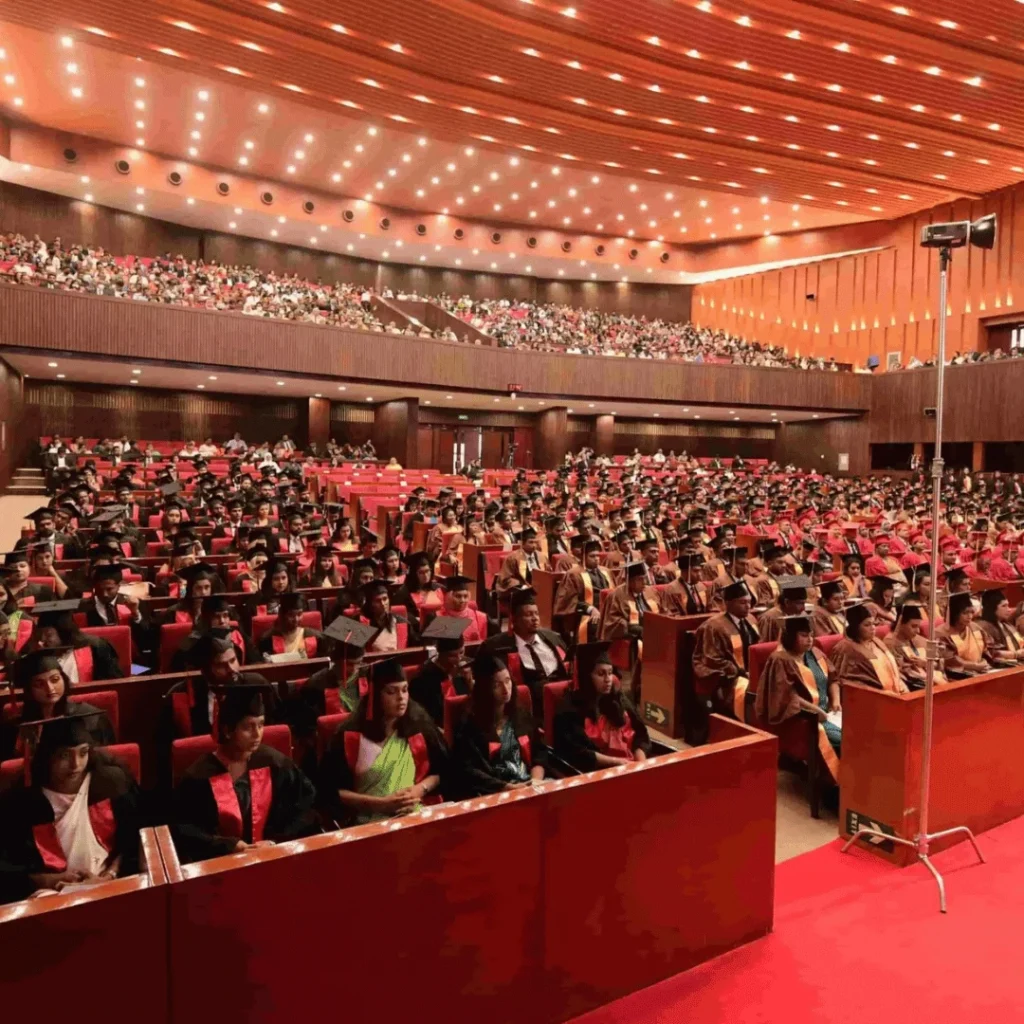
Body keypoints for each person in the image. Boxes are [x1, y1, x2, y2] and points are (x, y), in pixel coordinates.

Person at [0, 713, 141, 904]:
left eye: (83, 753)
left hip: (111, 886)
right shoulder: (23, 801)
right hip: (50, 896)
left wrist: (109, 877)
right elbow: (8, 867)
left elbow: (135, 839)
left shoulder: (111, 783)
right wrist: (48, 880)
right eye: (65, 755)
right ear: (47, 758)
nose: (76, 765)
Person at [172, 685, 318, 863]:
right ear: (227, 730)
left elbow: (306, 806)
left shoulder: (275, 763)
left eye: (261, 724)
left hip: (274, 857)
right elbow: (185, 830)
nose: (257, 734)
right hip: (220, 865)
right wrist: (229, 846)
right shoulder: (199, 776)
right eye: (248, 727)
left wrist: (274, 842)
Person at [317, 659, 445, 826]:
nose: (401, 698)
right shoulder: (350, 736)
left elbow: (441, 770)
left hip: (415, 815)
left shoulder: (419, 725)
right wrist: (382, 804)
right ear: (375, 696)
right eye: (391, 692)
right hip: (367, 823)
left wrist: (418, 790)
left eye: (405, 690)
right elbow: (332, 791)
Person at [754, 615, 840, 786]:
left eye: (811, 635)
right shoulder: (780, 660)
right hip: (802, 718)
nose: (809, 640)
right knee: (842, 740)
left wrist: (836, 700)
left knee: (860, 733)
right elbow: (786, 697)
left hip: (829, 714)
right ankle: (833, 786)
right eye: (803, 635)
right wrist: (817, 711)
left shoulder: (815, 653)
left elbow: (833, 679)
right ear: (790, 636)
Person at [449, 653, 546, 799]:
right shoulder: (469, 725)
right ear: (484, 688)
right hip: (495, 794)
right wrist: (508, 788)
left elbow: (540, 752)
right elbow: (470, 771)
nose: (506, 689)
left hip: (531, 787)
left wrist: (536, 781)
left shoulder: (520, 715)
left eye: (507, 681)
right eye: (497, 685)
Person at [1, 648, 116, 760]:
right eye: (39, 684)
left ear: (64, 680)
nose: (50, 688)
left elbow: (105, 760)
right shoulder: (16, 727)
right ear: (29, 690)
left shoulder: (91, 717)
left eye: (55, 680)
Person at [552, 646, 651, 771]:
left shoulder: (618, 699)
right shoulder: (570, 708)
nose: (608, 679)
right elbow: (576, 752)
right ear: (587, 677)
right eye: (601, 674)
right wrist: (619, 763)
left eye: (610, 673)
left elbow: (641, 734)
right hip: (596, 774)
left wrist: (642, 765)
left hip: (631, 767)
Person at [164, 629, 277, 738]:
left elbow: (275, 729)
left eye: (233, 660)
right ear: (205, 669)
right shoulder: (180, 695)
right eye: (221, 665)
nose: (232, 669)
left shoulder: (258, 685)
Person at [481, 588, 569, 714]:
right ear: (514, 619)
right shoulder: (495, 647)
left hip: (563, 703)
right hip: (529, 710)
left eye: (536, 614)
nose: (535, 618)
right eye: (528, 615)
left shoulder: (554, 638)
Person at [692, 578, 761, 719]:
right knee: (753, 693)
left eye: (749, 602)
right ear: (729, 603)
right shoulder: (714, 626)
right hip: (724, 677)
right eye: (742, 602)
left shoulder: (751, 620)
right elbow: (711, 659)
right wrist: (740, 672)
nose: (748, 606)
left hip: (748, 672)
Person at [24, 601, 124, 682]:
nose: (42, 641)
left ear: (64, 633)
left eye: (48, 635)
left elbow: (112, 683)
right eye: (39, 635)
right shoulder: (37, 653)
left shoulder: (96, 646)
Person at [410, 617, 474, 727]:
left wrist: (470, 682)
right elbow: (430, 717)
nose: (459, 659)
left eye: (461, 652)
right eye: (452, 656)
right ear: (441, 654)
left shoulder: (466, 667)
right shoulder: (423, 678)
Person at [830, 603, 908, 692]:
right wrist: (880, 693)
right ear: (855, 627)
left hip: (894, 692)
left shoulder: (876, 641)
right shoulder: (844, 648)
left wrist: (900, 683)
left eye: (874, 624)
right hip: (870, 696)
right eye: (867, 625)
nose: (873, 628)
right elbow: (843, 680)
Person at [884, 603, 946, 688]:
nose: (918, 631)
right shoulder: (890, 642)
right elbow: (897, 672)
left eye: (918, 627)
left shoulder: (916, 638)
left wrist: (927, 663)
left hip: (931, 678)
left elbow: (937, 662)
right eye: (913, 626)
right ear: (900, 624)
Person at [599, 561, 661, 640]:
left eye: (645, 578)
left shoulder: (651, 591)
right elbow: (612, 621)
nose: (644, 583)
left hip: (653, 631)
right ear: (630, 581)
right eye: (640, 579)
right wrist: (632, 628)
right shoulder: (617, 595)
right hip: (632, 637)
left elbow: (662, 611)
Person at [257, 593, 327, 660]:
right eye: (291, 615)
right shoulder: (268, 639)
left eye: (299, 614)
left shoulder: (315, 636)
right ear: (282, 615)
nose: (296, 619)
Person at [935, 592, 991, 677]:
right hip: (955, 674)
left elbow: (987, 650)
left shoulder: (975, 627)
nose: (969, 616)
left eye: (971, 612)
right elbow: (951, 661)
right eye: (965, 613)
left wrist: (984, 662)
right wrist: (975, 666)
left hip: (981, 670)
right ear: (955, 614)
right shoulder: (941, 633)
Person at [360, 580, 420, 653]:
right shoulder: (362, 623)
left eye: (385, 599)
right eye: (377, 601)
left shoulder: (401, 622)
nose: (383, 603)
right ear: (370, 604)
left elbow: (416, 648)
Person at [428, 575, 489, 643]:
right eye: (458, 596)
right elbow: (430, 646)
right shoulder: (436, 616)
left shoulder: (480, 617)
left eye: (465, 596)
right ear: (448, 597)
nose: (462, 600)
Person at [495, 526, 550, 593]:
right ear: (522, 544)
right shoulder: (513, 558)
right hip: (521, 591)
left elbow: (548, 574)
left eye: (535, 542)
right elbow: (506, 579)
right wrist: (521, 586)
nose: (534, 545)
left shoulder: (542, 556)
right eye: (531, 542)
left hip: (541, 590)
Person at [391, 552, 446, 618]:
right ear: (414, 574)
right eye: (421, 572)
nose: (425, 576)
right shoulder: (403, 594)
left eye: (427, 571)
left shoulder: (439, 588)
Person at [977, 588, 1024, 663]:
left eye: (1008, 605)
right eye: (1004, 606)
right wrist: (1016, 654)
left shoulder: (1006, 624)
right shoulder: (982, 626)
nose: (1008, 609)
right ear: (992, 608)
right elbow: (991, 653)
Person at [757, 577, 809, 642]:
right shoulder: (769, 618)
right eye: (799, 603)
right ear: (787, 602)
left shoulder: (800, 615)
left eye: (804, 603)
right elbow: (764, 646)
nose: (803, 608)